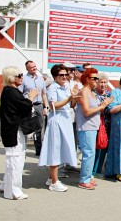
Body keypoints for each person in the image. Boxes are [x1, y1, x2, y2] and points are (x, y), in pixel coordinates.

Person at [38, 64, 80, 192]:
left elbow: (71, 105)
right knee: (55, 150)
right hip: (56, 120)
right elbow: (53, 105)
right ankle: (54, 182)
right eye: (60, 75)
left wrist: (74, 97)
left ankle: (52, 178)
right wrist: (69, 98)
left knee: (62, 149)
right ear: (55, 76)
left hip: (66, 120)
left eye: (65, 75)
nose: (64, 77)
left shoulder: (67, 87)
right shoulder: (53, 88)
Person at [0, 66, 37, 200]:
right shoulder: (11, 91)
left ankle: (5, 185)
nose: (22, 77)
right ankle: (13, 191)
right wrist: (31, 97)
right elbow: (25, 106)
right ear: (11, 78)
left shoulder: (11, 91)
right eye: (19, 75)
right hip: (12, 130)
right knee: (15, 160)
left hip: (15, 130)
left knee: (17, 158)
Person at [76, 68, 113, 189]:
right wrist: (103, 105)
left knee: (91, 153)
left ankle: (88, 177)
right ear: (87, 79)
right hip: (86, 126)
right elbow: (86, 112)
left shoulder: (91, 92)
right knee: (89, 153)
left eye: (98, 78)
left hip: (93, 126)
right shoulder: (84, 92)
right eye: (95, 78)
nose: (97, 81)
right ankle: (84, 180)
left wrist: (104, 104)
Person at [18, 60, 49, 156]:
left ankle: (39, 150)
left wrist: (46, 107)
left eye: (35, 66)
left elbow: (44, 94)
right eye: (32, 67)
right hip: (28, 106)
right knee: (26, 127)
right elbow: (20, 94)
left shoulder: (40, 79)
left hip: (39, 105)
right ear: (27, 69)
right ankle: (22, 149)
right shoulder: (23, 79)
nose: (34, 68)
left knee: (39, 128)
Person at [92, 73, 111, 178]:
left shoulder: (109, 94)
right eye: (101, 82)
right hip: (96, 124)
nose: (103, 85)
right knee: (95, 148)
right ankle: (92, 171)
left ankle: (98, 170)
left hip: (107, 124)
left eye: (105, 82)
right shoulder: (93, 94)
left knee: (103, 147)